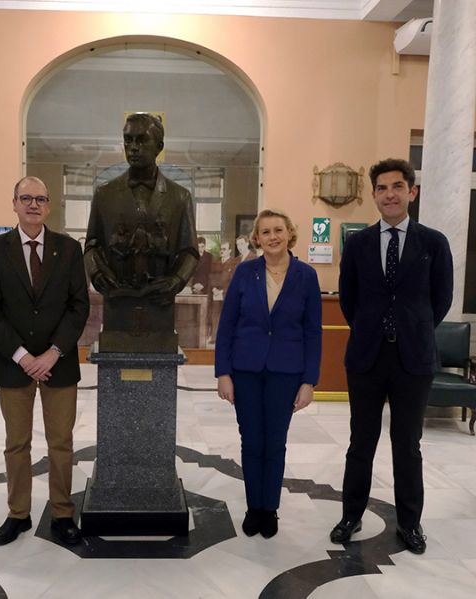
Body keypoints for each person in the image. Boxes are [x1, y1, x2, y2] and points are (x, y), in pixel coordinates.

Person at [330, 158, 453, 555]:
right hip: (367, 357)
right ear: (374, 195)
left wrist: (410, 328)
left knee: (408, 444)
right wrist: (372, 327)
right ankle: (351, 515)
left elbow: (442, 299)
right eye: (382, 188)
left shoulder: (434, 243)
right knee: (360, 441)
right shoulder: (359, 243)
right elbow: (349, 298)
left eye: (397, 186)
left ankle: (410, 523)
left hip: (413, 359)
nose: (390, 194)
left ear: (411, 192)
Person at [0, 176, 89, 546]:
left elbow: (79, 307)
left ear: (49, 205)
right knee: (17, 443)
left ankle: (62, 513)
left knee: (61, 442)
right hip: (14, 364)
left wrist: (53, 353)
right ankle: (18, 514)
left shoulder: (69, 249)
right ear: (14, 203)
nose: (32, 204)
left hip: (59, 363)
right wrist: (25, 356)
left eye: (40, 198)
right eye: (25, 198)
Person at [215, 209, 322, 538]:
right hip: (246, 370)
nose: (272, 236)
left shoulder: (306, 275)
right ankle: (253, 507)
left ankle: (269, 508)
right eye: (265, 232)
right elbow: (228, 324)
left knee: (275, 442)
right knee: (252, 441)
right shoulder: (245, 273)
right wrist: (223, 373)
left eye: (278, 230)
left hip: (285, 372)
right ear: (257, 239)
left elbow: (313, 332)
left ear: (289, 233)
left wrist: (309, 381)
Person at [84, 113, 198, 304]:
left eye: (142, 140)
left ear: (159, 147)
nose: (134, 147)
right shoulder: (104, 194)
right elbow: (91, 245)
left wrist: (176, 280)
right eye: (128, 140)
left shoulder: (180, 196)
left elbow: (190, 251)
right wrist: (96, 273)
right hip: (117, 300)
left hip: (160, 303)